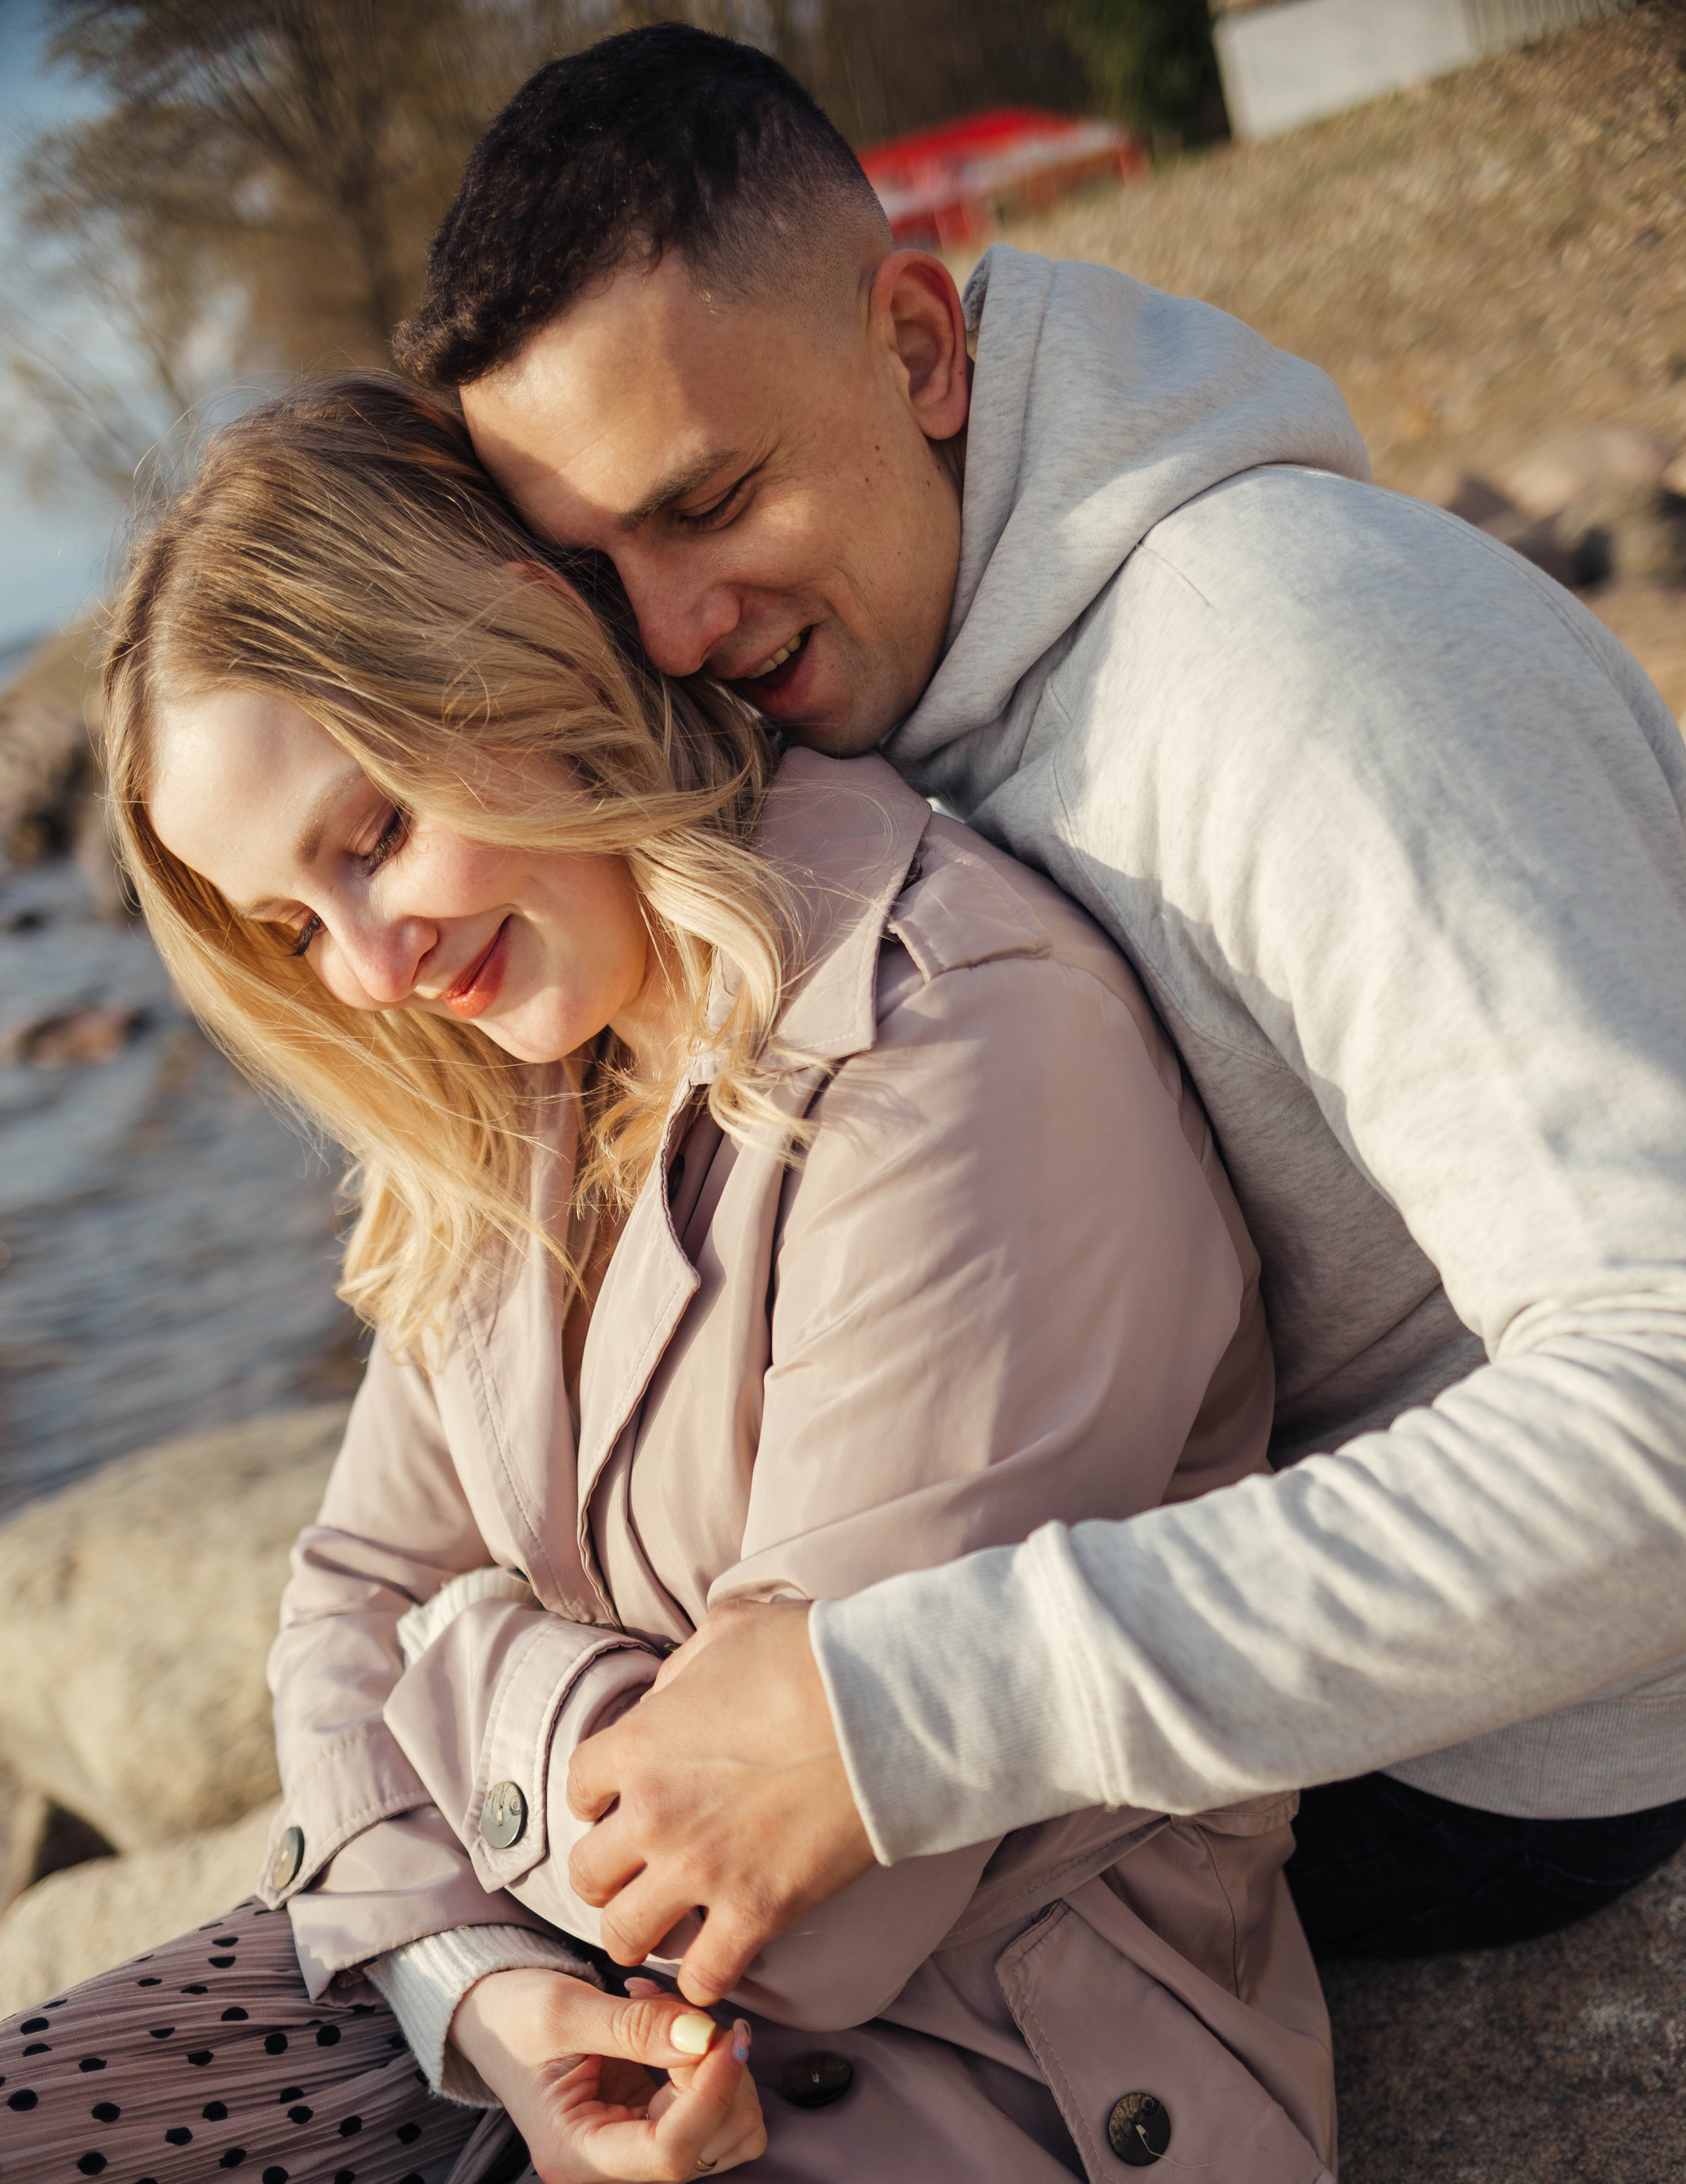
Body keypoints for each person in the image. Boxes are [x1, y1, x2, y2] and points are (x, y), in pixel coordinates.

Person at [0, 378, 1336, 2184]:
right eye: (287, 925)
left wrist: (462, 1662)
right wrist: (470, 1982)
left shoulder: (958, 1038)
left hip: (928, 2112)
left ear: (514, 648)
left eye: (368, 839)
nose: (370, 965)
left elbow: (794, 1895)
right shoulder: (515, 1078)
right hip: (510, 2010)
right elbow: (340, 1598)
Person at [389, 24, 1686, 2003]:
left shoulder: (1292, 669)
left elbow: (1664, 1411)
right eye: (591, 571)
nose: (668, 635)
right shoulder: (866, 688)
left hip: (1514, 1748)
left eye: (713, 497)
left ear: (919, 348)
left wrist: (902, 1711)